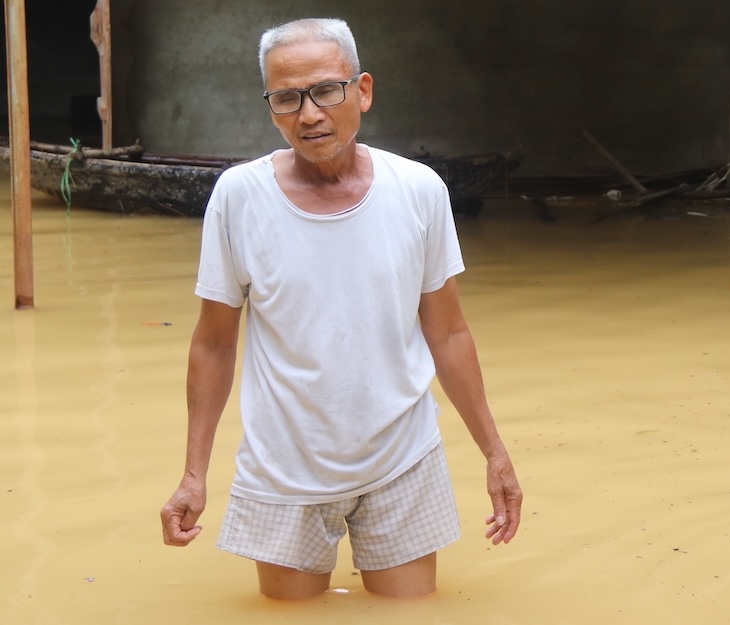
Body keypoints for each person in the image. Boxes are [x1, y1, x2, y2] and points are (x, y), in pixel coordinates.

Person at [160, 16, 522, 600]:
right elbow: (213, 342)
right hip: (284, 466)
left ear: (364, 90)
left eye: (327, 90)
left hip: (402, 458)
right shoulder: (239, 197)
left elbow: (448, 332)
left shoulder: (419, 190)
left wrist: (495, 453)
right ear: (270, 107)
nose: (309, 114)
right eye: (286, 98)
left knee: (409, 608)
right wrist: (193, 475)